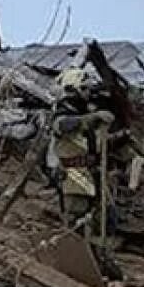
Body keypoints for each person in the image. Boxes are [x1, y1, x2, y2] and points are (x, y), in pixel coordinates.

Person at [50, 67, 113, 236]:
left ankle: (97, 254)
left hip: (92, 172)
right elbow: (64, 125)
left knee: (100, 218)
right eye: (83, 88)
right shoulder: (63, 112)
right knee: (75, 217)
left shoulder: (84, 111)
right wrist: (94, 118)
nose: (87, 93)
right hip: (73, 175)